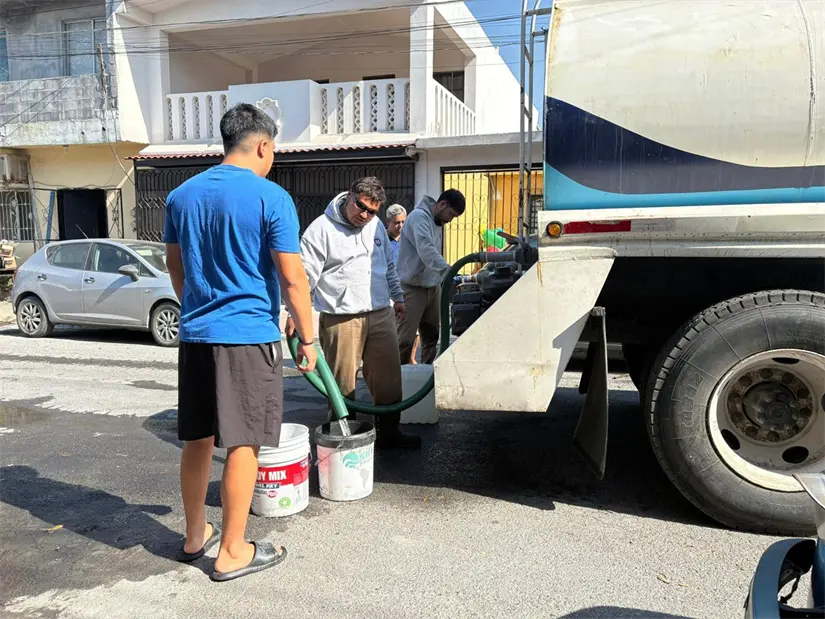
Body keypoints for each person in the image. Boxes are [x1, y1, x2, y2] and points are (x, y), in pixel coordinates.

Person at [164, 103, 316, 582]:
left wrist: (197, 308)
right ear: (264, 145)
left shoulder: (181, 196)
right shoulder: (271, 197)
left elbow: (176, 267)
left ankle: (194, 536)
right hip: (248, 337)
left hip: (195, 336)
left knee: (198, 438)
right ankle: (231, 550)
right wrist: (308, 338)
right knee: (244, 442)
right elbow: (293, 280)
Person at [289, 178, 421, 450]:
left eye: (371, 211)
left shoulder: (375, 227)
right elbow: (305, 276)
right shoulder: (321, 229)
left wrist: (397, 297)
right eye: (360, 206)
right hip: (341, 318)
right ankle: (342, 439)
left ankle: (389, 434)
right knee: (341, 386)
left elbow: (387, 265)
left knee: (389, 380)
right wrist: (295, 311)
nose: (364, 214)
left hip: (380, 313)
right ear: (349, 196)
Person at [396, 189, 466, 365]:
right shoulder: (419, 218)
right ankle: (400, 381)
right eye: (450, 214)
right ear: (442, 204)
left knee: (431, 337)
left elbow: (433, 252)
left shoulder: (437, 222)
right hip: (412, 288)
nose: (450, 219)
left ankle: (426, 376)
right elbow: (427, 249)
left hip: (432, 287)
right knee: (405, 340)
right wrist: (448, 271)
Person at [385, 204, 420, 364]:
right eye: (396, 222)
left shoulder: (410, 238)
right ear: (388, 222)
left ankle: (410, 359)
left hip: (409, 288)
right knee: (391, 329)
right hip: (388, 290)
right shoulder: (381, 240)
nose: (400, 226)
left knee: (414, 330)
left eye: (403, 222)